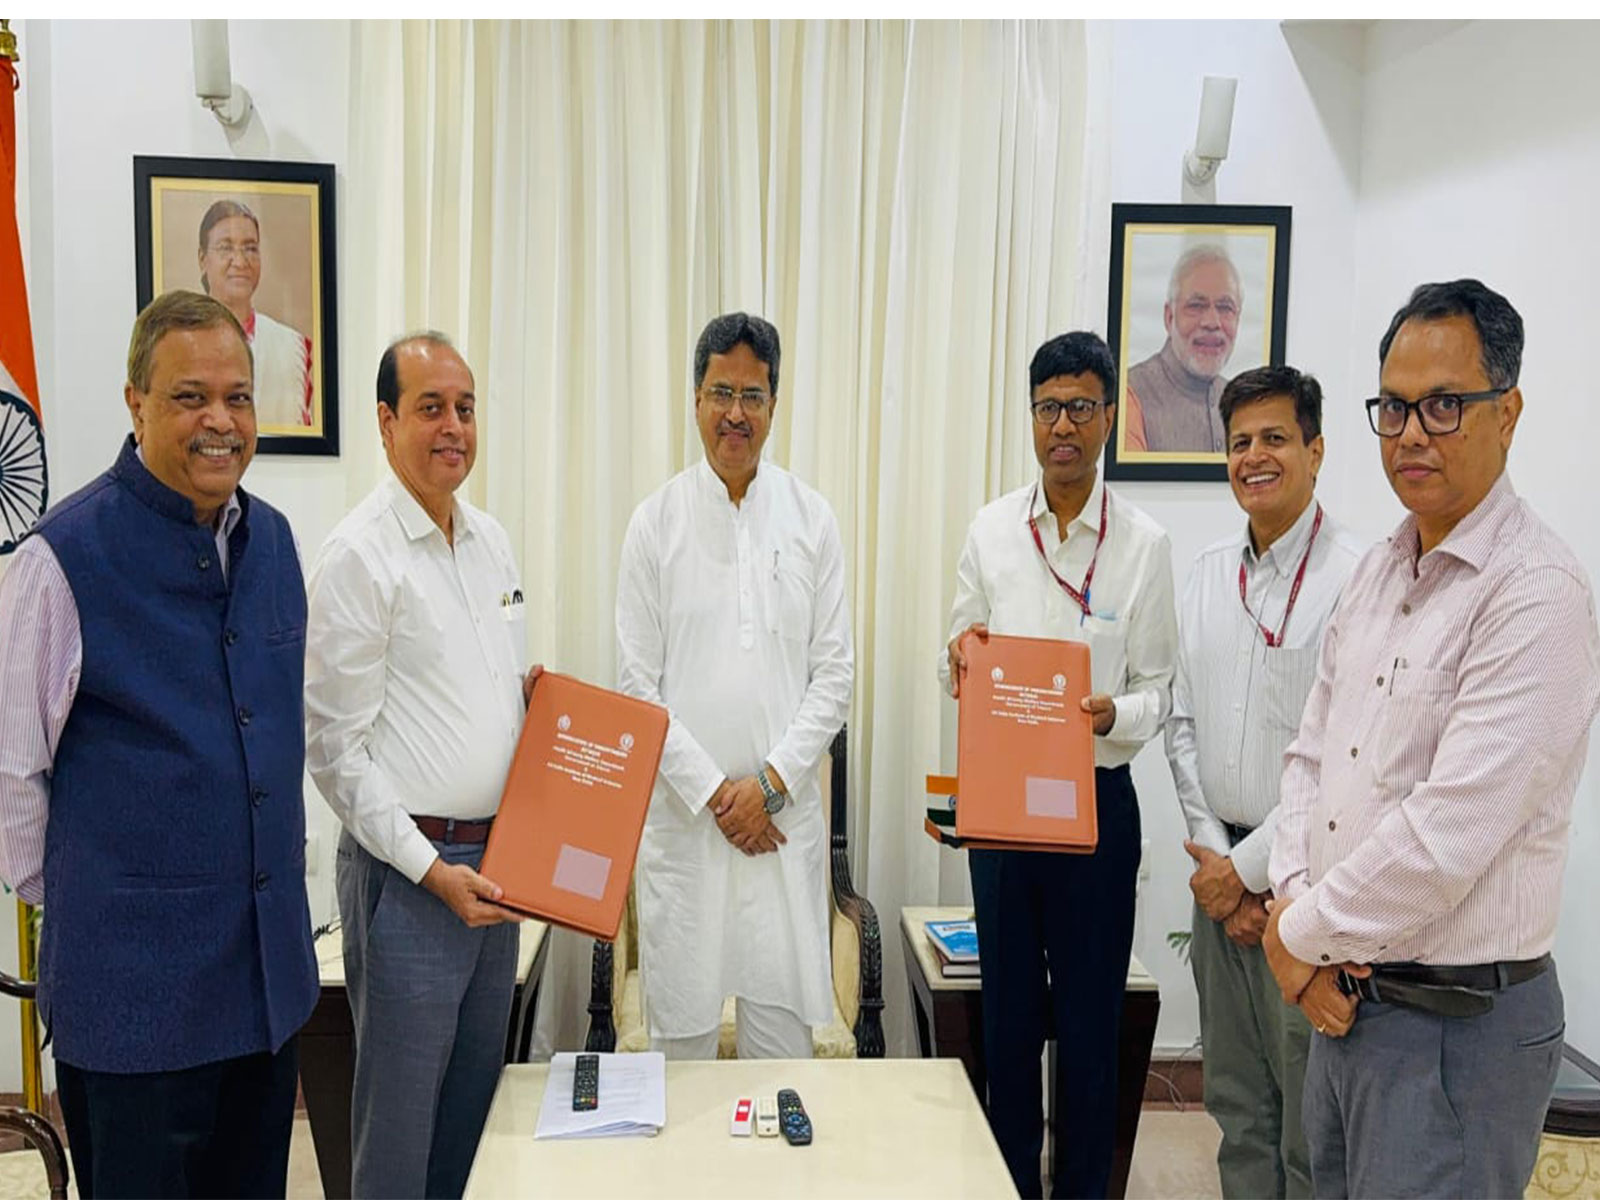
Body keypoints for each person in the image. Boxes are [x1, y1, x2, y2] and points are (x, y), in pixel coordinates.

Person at [1265, 279, 1600, 1199]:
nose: (1412, 432)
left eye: (1445, 405)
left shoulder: (1535, 592)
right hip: (1349, 1005)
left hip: (1459, 1029)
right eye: (1395, 407)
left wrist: (1295, 932)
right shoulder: (1379, 571)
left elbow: (1447, 834)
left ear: (1509, 411)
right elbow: (1310, 760)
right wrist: (1301, 934)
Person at [0, 290, 316, 1196]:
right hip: (132, 1010)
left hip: (266, 995)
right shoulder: (60, 559)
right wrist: (107, 916)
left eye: (238, 396)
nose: (220, 421)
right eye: (189, 397)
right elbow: (13, 779)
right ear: (135, 403)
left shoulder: (276, 544)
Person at [942, 330, 1176, 1198]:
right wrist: (958, 657)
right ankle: (1008, 1185)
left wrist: (1117, 712)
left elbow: (1160, 689)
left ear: (1110, 415)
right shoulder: (991, 531)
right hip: (1003, 818)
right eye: (1048, 408)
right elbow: (955, 650)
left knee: (1088, 1031)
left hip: (1096, 812)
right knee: (1007, 1027)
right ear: (1031, 419)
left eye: (1081, 407)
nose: (1064, 426)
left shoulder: (1143, 545)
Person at [305, 333, 537, 1199]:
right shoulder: (359, 557)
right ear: (385, 420)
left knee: (469, 1121)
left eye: (466, 408)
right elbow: (335, 752)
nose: (454, 428)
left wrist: (530, 699)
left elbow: (475, 691)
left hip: (498, 871)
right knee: (398, 1134)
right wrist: (431, 871)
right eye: (432, 407)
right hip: (412, 879)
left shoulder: (491, 542)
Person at [615, 312, 852, 1061]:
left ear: (775, 406)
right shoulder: (653, 525)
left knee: (780, 1049)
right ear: (694, 400)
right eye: (721, 392)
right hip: (687, 829)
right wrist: (721, 797)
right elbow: (636, 686)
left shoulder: (813, 519)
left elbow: (835, 675)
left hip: (778, 833)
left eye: (753, 395)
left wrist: (769, 788)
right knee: (679, 1047)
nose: (735, 414)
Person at [1164, 365, 1364, 1199]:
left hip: (1307, 890)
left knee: (1310, 1124)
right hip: (1221, 884)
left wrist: (1246, 877)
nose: (1254, 456)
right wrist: (1217, 868)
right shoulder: (1208, 572)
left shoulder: (1357, 578)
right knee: (1236, 1106)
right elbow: (1181, 726)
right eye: (1239, 441)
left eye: (1275, 438)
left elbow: (1346, 759)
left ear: (1316, 450)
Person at [197, 198, 314, 430]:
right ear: (203, 260)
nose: (240, 261)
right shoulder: (182, 342)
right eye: (226, 248)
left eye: (250, 248)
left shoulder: (292, 347)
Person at [1123, 243, 1241, 453]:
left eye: (1225, 307)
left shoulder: (1243, 402)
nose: (1212, 322)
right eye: (1196, 305)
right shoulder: (1130, 394)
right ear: (1169, 317)